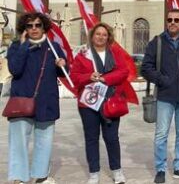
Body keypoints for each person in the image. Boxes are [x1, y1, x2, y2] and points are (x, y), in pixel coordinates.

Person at [141, 9, 179, 184]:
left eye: (177, 19)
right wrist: (163, 80)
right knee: (161, 134)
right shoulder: (157, 42)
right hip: (165, 96)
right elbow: (146, 68)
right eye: (170, 19)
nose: (173, 22)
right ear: (166, 21)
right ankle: (160, 168)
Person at [6, 12, 67, 184]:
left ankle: (41, 176)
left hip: (47, 102)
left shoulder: (53, 47)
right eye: (29, 25)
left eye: (38, 25)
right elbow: (15, 69)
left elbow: (64, 74)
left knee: (44, 142)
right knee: (19, 143)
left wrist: (62, 65)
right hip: (21, 102)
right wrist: (24, 46)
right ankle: (19, 177)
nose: (34, 28)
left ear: (44, 27)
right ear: (24, 29)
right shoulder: (16, 46)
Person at [71, 23, 131, 184]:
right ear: (92, 36)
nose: (101, 37)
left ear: (108, 37)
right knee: (91, 138)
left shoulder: (115, 53)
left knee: (111, 138)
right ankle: (94, 173)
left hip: (110, 101)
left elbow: (124, 71)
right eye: (98, 34)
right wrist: (88, 77)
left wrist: (105, 78)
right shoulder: (83, 55)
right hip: (88, 103)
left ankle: (117, 171)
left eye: (104, 34)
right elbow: (74, 76)